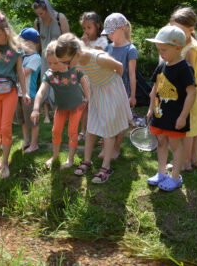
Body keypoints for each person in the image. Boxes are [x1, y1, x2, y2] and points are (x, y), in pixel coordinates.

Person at [55, 33, 132, 183]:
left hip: (111, 90)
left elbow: (120, 67)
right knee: (91, 127)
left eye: (66, 62)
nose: (66, 65)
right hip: (97, 91)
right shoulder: (76, 61)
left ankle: (106, 167)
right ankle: (87, 161)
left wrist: (115, 87)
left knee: (109, 129)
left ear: (77, 54)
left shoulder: (98, 58)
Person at [0, 8, 31, 179]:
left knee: (5, 129)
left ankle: (6, 164)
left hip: (10, 92)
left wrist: (25, 93)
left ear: (7, 32)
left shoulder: (15, 48)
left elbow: (21, 72)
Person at [145, 26, 196, 191]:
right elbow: (154, 90)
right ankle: (161, 173)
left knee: (175, 145)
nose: (161, 53)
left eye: (164, 49)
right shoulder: (162, 66)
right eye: (159, 49)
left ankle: (175, 177)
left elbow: (191, 93)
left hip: (175, 117)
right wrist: (150, 109)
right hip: (159, 115)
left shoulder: (185, 68)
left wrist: (183, 116)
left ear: (178, 47)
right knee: (161, 143)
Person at [31, 40, 89, 169]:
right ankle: (55, 156)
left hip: (76, 107)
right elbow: (41, 91)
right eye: (49, 62)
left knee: (72, 132)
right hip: (61, 108)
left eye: (55, 62)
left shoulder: (74, 69)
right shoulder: (50, 75)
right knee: (55, 131)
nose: (51, 65)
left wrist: (87, 97)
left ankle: (70, 159)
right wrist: (36, 108)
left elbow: (84, 81)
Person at [169, 7, 197, 171]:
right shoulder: (189, 44)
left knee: (188, 129)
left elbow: (189, 76)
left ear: (191, 29)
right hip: (195, 92)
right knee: (194, 128)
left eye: (179, 30)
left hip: (191, 93)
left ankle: (185, 162)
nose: (175, 33)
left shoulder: (191, 48)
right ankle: (193, 159)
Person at [103, 13, 138, 159]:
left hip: (123, 91)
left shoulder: (130, 49)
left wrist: (133, 96)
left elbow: (132, 74)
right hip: (107, 90)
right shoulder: (107, 48)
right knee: (108, 119)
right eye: (108, 32)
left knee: (121, 120)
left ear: (122, 28)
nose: (110, 35)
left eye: (112, 31)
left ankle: (116, 148)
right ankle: (107, 148)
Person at [32, 0, 70, 123]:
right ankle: (47, 116)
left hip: (60, 59)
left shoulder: (60, 18)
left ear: (47, 9)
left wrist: (67, 60)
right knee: (46, 84)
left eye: (41, 13)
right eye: (37, 14)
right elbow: (38, 44)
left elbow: (67, 40)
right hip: (44, 59)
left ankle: (61, 113)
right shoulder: (37, 22)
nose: (40, 16)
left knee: (60, 85)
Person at [78, 11, 108, 142]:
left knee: (100, 106)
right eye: (84, 28)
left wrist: (86, 45)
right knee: (85, 105)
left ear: (98, 26)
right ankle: (83, 131)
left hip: (98, 79)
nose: (86, 31)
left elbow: (96, 56)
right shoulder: (84, 41)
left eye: (89, 27)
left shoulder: (102, 40)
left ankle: (103, 133)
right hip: (86, 79)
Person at [16, 28, 41, 153]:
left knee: (33, 122)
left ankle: (34, 144)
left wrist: (16, 60)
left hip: (29, 95)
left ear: (30, 42)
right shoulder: (23, 57)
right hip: (18, 94)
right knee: (23, 121)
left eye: (22, 41)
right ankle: (26, 141)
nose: (19, 44)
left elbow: (23, 73)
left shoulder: (35, 58)